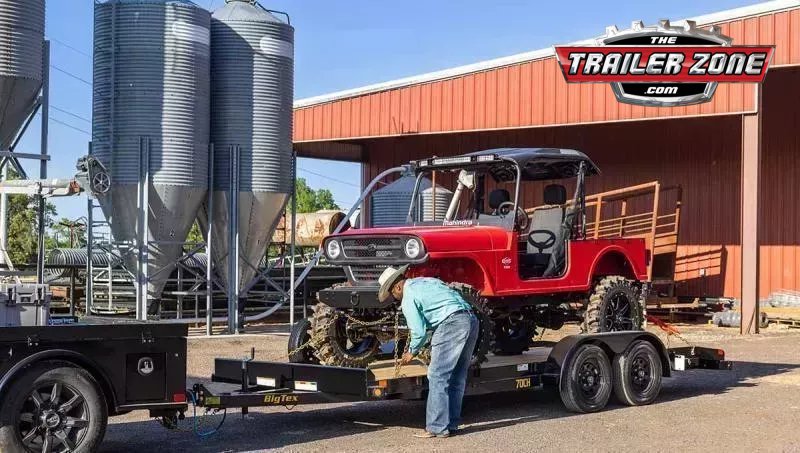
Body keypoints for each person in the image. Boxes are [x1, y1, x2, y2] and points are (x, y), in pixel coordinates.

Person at [377, 265, 479, 438]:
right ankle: (452, 423)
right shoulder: (426, 281)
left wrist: (411, 351)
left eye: (393, 294)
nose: (394, 298)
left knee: (437, 375)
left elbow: (418, 331)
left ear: (398, 287)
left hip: (451, 323)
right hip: (470, 319)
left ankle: (437, 427)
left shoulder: (408, 296)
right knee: (457, 376)